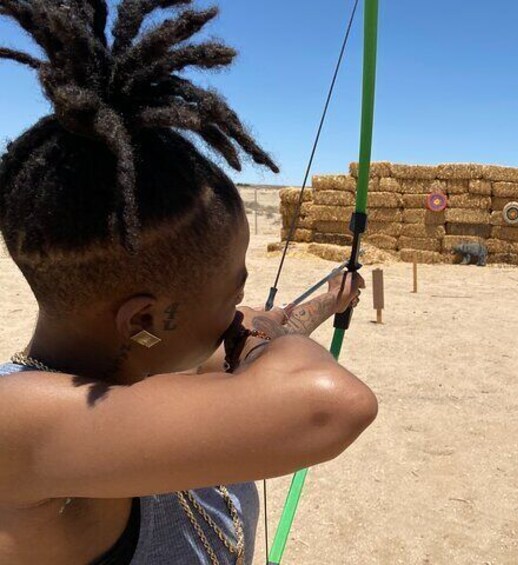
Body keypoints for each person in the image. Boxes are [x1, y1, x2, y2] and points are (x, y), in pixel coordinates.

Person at [0, 1, 377, 563]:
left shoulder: (148, 362)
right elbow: (333, 405)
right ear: (145, 320)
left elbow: (259, 331)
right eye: (231, 292)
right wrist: (253, 336)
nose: (237, 310)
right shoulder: (19, 423)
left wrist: (324, 303)